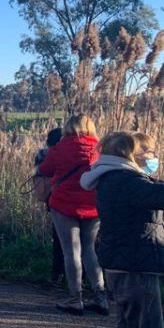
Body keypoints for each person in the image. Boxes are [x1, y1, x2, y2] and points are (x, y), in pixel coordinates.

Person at [80, 131, 164, 328]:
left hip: (120, 266)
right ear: (132, 154)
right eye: (151, 152)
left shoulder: (112, 178)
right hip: (136, 269)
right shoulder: (127, 182)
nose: (154, 157)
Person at [37, 114, 105, 315]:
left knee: (71, 252)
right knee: (89, 249)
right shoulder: (100, 149)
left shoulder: (60, 147)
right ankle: (101, 297)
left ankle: (76, 299)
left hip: (64, 205)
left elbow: (45, 169)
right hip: (93, 206)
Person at [34, 127, 65, 285]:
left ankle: (56, 275)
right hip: (87, 205)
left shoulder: (45, 154)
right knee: (85, 245)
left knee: (59, 240)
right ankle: (81, 279)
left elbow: (42, 169)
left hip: (57, 201)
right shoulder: (87, 152)